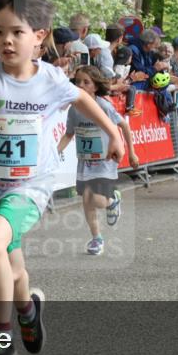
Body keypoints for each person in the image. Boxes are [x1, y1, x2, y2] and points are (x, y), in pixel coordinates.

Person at [0, 0, 124, 355]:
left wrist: (112, 133)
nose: (6, 41)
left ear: (39, 36)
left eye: (17, 32)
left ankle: (1, 336)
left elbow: (85, 100)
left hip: (30, 186)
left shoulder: (50, 80)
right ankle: (28, 310)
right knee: (14, 267)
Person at [58, 66, 139, 255]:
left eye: (86, 82)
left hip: (105, 160)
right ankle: (97, 239)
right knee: (87, 202)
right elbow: (69, 134)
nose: (80, 85)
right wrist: (56, 151)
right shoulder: (74, 109)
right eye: (77, 82)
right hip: (85, 162)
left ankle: (112, 200)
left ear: (95, 86)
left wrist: (132, 153)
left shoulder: (103, 106)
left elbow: (124, 126)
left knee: (98, 200)